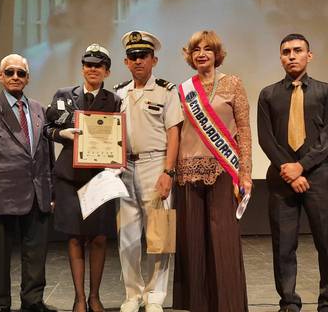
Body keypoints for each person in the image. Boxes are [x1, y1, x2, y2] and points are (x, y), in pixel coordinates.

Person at [0, 54, 56, 312]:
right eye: (10, 72)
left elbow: (46, 153)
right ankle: (0, 305)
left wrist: (49, 190)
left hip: (38, 192)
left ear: (28, 78)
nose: (15, 77)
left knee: (36, 254)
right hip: (0, 195)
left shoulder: (39, 109)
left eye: (20, 73)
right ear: (0, 76)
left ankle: (33, 301)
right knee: (0, 257)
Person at [173, 30, 252, 312]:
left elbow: (243, 130)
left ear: (217, 54)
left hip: (222, 171)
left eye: (208, 49)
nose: (202, 53)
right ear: (190, 55)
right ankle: (199, 305)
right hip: (187, 173)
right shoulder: (182, 90)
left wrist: (245, 173)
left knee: (223, 242)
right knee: (193, 243)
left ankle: (228, 305)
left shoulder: (233, 84)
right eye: (196, 49)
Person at [44, 44, 121, 312]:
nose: (92, 69)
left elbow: (119, 138)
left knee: (99, 237)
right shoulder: (64, 95)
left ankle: (95, 297)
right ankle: (78, 298)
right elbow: (47, 128)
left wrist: (117, 161)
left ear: (107, 71)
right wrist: (61, 135)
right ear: (82, 68)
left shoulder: (114, 100)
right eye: (88, 65)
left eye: (98, 66)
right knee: (75, 237)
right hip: (69, 176)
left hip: (100, 177)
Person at [257, 33, 328, 312]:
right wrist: (290, 171)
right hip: (281, 180)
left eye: (298, 50)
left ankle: (326, 301)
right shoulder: (268, 94)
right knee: (284, 245)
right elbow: (266, 138)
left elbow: (326, 138)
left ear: (309, 56)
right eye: (286, 51)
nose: (291, 55)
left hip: (320, 176)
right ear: (280, 57)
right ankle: (288, 302)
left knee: (325, 241)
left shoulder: (324, 91)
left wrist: (303, 166)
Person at [114, 31, 183, 312]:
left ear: (154, 59)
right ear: (126, 61)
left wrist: (169, 171)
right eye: (133, 56)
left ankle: (155, 294)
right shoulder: (118, 93)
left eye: (143, 56)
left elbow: (174, 133)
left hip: (156, 164)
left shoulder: (167, 91)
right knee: (126, 236)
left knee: (159, 234)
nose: (138, 60)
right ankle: (133, 294)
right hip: (123, 167)